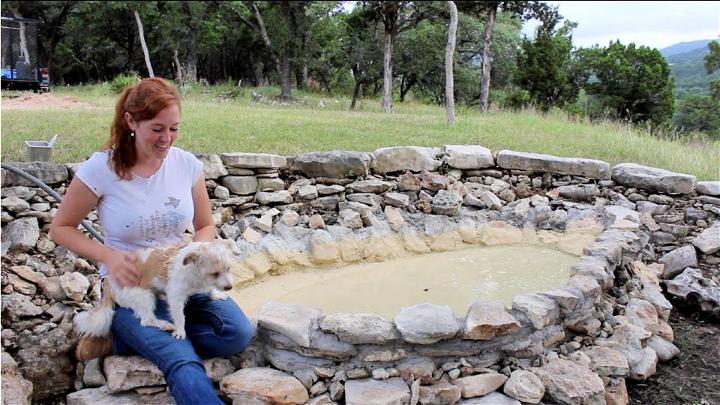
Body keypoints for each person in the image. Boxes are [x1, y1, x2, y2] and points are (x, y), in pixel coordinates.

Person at [49, 77, 255, 404]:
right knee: (182, 361)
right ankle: (158, 342)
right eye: (158, 129)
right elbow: (60, 228)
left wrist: (197, 252)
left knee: (239, 333)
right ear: (131, 121)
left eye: (174, 128)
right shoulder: (102, 167)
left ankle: (126, 340)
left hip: (183, 279)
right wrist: (109, 256)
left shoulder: (186, 164)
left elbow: (204, 225)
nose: (167, 139)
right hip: (132, 286)